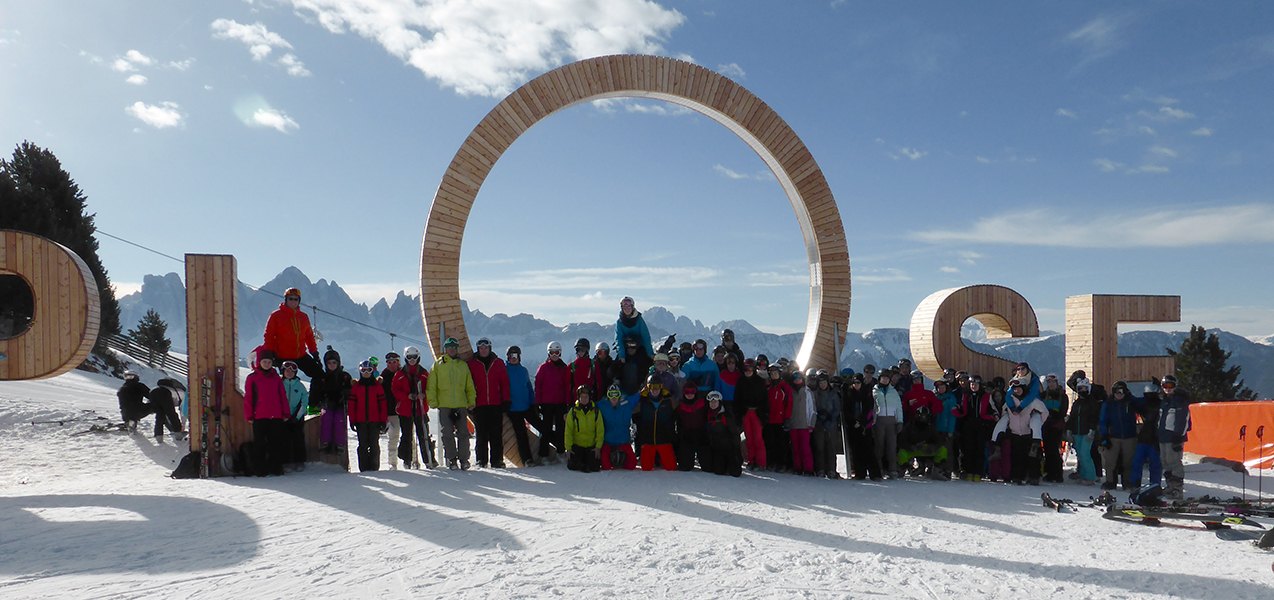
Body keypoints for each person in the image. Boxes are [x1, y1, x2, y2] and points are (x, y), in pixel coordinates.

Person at [427, 337, 477, 470]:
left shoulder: (463, 365)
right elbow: (431, 384)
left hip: (460, 404)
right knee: (447, 433)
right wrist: (432, 401)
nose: (452, 350)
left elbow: (469, 386)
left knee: (463, 433)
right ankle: (451, 459)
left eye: (454, 347)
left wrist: (471, 401)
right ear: (445, 349)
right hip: (445, 405)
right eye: (449, 347)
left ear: (457, 349)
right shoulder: (438, 365)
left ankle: (464, 459)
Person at [991, 378, 1047, 485]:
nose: (1017, 391)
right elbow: (1004, 413)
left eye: (1019, 388)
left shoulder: (1033, 401)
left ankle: (1034, 476)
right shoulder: (1010, 401)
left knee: (1033, 456)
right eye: (1014, 389)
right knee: (1017, 456)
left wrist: (1037, 424)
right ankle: (1017, 476)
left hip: (1029, 434)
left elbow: (1044, 413)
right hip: (1015, 433)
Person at [243, 349, 290, 476]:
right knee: (260, 444)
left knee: (275, 443)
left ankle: (276, 468)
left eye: (269, 362)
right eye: (264, 361)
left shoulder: (276, 378)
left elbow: (282, 396)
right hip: (259, 416)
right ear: (259, 362)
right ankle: (260, 469)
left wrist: (286, 413)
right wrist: (249, 415)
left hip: (276, 416)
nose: (267, 364)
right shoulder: (252, 378)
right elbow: (248, 398)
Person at [262, 287, 323, 379]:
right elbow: (269, 335)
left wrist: (314, 352)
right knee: (287, 380)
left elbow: (309, 336)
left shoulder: (303, 317)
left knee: (319, 374)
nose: (293, 301)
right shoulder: (276, 316)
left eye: (296, 299)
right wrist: (270, 353)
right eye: (290, 299)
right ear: (286, 300)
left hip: (300, 355)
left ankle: (316, 393)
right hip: (282, 356)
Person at [469, 337, 510, 469]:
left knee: (496, 434)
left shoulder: (498, 363)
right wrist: (469, 403)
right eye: (481, 348)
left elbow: (504, 383)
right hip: (479, 404)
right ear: (478, 349)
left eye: (486, 347)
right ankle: (481, 460)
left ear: (490, 348)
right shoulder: (472, 364)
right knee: (481, 434)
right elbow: (467, 385)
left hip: (495, 403)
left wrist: (506, 400)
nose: (484, 350)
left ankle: (497, 460)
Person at [392, 346, 433, 469]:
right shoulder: (399, 374)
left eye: (414, 357)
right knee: (406, 436)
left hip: (420, 409)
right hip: (405, 409)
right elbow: (395, 390)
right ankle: (407, 460)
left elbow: (430, 388)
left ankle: (428, 459)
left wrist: (424, 395)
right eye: (409, 357)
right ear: (405, 358)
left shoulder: (424, 374)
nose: (412, 360)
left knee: (424, 434)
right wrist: (407, 396)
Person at [310, 346, 352, 459]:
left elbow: (351, 391)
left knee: (339, 419)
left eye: (334, 362)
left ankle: (340, 444)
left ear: (338, 363)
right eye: (329, 363)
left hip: (340, 404)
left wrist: (346, 394)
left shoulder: (345, 377)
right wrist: (316, 403)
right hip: (327, 404)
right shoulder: (322, 377)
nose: (332, 365)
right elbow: (316, 391)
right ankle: (325, 443)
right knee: (326, 417)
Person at [535, 341, 572, 464]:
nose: (554, 355)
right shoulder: (544, 367)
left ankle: (561, 451)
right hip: (547, 403)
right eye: (552, 352)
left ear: (560, 353)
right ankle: (543, 454)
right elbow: (538, 385)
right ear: (548, 353)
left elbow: (567, 386)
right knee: (546, 429)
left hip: (560, 402)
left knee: (561, 428)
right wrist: (538, 402)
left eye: (557, 352)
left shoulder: (564, 368)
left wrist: (567, 402)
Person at [952, 375, 995, 481]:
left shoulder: (986, 396)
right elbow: (961, 408)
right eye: (972, 384)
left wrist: (994, 416)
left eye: (976, 384)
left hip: (981, 425)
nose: (974, 386)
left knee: (979, 449)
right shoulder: (966, 395)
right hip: (967, 425)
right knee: (967, 449)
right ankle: (966, 471)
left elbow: (992, 409)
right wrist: (957, 409)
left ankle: (978, 472)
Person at [1098, 380, 1138, 490]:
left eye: (1122, 392)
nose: (1119, 394)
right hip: (1113, 437)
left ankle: (1127, 482)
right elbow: (1102, 420)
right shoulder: (1108, 403)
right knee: (1110, 461)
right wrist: (1104, 436)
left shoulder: (1130, 402)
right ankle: (1110, 481)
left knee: (1128, 461)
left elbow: (1141, 404)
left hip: (1129, 436)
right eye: (1116, 392)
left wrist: (1130, 396)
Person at [348, 360, 387, 472]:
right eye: (363, 370)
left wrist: (383, 420)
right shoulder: (356, 387)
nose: (366, 373)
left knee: (374, 443)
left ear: (372, 371)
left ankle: (374, 466)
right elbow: (352, 405)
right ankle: (364, 467)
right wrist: (352, 420)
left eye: (368, 370)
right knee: (363, 444)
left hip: (375, 420)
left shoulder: (377, 387)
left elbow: (383, 405)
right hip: (360, 421)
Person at [1157, 375, 1192, 499]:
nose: (1167, 389)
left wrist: (1179, 436)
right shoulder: (1164, 400)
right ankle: (1170, 486)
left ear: (1175, 386)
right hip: (1163, 436)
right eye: (1165, 386)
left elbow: (1184, 420)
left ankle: (1177, 489)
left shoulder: (1179, 401)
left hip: (1174, 437)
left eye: (1170, 386)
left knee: (1174, 463)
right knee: (1165, 462)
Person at [504, 345, 540, 467]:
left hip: (526, 406)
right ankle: (527, 459)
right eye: (511, 356)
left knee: (542, 426)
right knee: (521, 434)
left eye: (516, 356)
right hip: (513, 409)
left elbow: (529, 388)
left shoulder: (523, 370)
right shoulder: (505, 370)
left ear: (519, 357)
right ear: (508, 357)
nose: (513, 358)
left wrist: (533, 403)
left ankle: (557, 448)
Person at [635, 374, 677, 471]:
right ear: (648, 387)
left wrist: (670, 431)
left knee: (671, 467)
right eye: (652, 387)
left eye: (657, 387)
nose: (655, 390)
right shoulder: (642, 400)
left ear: (661, 387)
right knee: (646, 468)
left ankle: (659, 459)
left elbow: (676, 413)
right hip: (648, 439)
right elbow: (634, 414)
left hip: (664, 439)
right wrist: (641, 430)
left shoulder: (668, 400)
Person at [842, 373, 880, 480]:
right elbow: (846, 410)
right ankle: (860, 473)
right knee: (856, 451)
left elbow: (870, 409)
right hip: (853, 426)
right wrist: (853, 422)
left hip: (865, 426)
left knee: (869, 450)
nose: (856, 385)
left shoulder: (867, 393)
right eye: (854, 383)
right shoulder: (849, 394)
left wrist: (862, 422)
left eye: (858, 382)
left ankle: (875, 474)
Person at [1065, 378, 1100, 485]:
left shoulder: (1092, 402)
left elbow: (1094, 417)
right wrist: (1069, 429)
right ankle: (1084, 475)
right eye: (1080, 389)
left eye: (1084, 388)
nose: (1082, 390)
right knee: (1080, 454)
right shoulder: (1077, 403)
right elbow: (1073, 417)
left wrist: (1092, 430)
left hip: (1087, 431)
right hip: (1077, 431)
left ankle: (1091, 476)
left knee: (1085, 454)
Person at [896, 405, 947, 479]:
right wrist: (911, 447)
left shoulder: (930, 427)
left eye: (925, 417)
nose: (923, 419)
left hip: (926, 449)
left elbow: (939, 441)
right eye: (921, 416)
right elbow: (901, 441)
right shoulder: (910, 426)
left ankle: (936, 470)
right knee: (902, 452)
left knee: (943, 450)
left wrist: (932, 447)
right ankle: (903, 469)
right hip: (912, 449)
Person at [736, 359, 769, 471]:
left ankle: (761, 462)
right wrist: (739, 414)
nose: (748, 372)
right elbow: (738, 399)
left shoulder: (760, 382)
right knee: (749, 438)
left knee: (758, 438)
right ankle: (751, 460)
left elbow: (765, 400)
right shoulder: (741, 381)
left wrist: (764, 414)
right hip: (746, 413)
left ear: (754, 369)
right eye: (746, 369)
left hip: (757, 413)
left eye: (750, 369)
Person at [873, 369, 904, 479]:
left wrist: (900, 421)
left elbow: (899, 407)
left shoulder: (893, 391)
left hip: (892, 422)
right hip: (879, 421)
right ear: (879, 378)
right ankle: (880, 468)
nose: (885, 380)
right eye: (883, 378)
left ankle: (892, 469)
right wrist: (872, 421)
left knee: (891, 446)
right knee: (879, 446)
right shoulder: (875, 391)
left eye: (887, 378)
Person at [564, 385, 604, 473]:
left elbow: (600, 430)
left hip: (591, 446)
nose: (584, 399)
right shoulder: (573, 411)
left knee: (595, 467)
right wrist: (568, 448)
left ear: (590, 397)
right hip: (578, 445)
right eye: (581, 397)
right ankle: (582, 464)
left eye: (586, 397)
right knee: (572, 465)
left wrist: (598, 447)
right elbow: (568, 431)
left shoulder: (596, 412)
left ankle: (586, 463)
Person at [811, 370, 843, 479]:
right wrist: (819, 417)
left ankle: (831, 470)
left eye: (824, 382)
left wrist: (830, 417)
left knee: (831, 449)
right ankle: (820, 469)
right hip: (819, 424)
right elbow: (813, 408)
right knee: (820, 448)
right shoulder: (816, 394)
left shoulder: (833, 394)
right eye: (820, 383)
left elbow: (837, 409)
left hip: (831, 425)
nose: (822, 385)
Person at [1129, 380, 1161, 490]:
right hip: (1144, 438)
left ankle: (1155, 485)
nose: (1149, 396)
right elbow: (1135, 402)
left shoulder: (1162, 404)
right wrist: (1128, 393)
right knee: (1137, 463)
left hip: (1155, 439)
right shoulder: (1144, 404)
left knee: (1155, 465)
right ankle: (1135, 483)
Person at [598, 384, 638, 470]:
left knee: (631, 465)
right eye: (611, 395)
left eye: (616, 394)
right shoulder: (602, 405)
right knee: (606, 466)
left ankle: (621, 460)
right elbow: (587, 405)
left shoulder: (627, 403)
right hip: (608, 443)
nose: (614, 397)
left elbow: (640, 395)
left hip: (623, 442)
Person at [1039, 373, 1070, 483]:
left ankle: (1057, 473)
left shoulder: (1062, 395)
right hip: (1045, 425)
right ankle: (1050, 473)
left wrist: (1052, 415)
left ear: (1057, 383)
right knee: (1047, 449)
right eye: (1049, 382)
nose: (1051, 384)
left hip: (1056, 426)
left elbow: (1063, 411)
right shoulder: (1044, 395)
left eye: (1053, 382)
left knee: (1054, 450)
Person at [705, 391, 743, 477]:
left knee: (735, 472)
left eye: (715, 401)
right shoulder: (707, 415)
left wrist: (737, 451)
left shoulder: (726, 415)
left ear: (719, 402)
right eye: (711, 402)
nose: (713, 404)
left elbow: (735, 433)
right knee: (718, 471)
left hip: (730, 448)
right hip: (717, 448)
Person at [763, 363, 793, 473]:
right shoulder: (768, 387)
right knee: (770, 443)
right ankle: (772, 463)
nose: (773, 375)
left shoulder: (784, 387)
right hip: (769, 419)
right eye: (772, 373)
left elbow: (789, 403)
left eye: (775, 373)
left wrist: (787, 418)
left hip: (780, 420)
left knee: (782, 443)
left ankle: (782, 464)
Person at [280, 361, 309, 471]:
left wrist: (296, 417)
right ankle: (285, 462)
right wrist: (282, 415)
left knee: (298, 440)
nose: (289, 373)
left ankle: (299, 462)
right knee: (284, 440)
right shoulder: (280, 384)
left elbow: (304, 402)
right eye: (287, 371)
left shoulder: (300, 386)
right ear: (283, 371)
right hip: (283, 417)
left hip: (296, 418)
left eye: (292, 371)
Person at [610, 335, 654, 407]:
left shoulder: (642, 358)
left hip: (639, 391)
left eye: (633, 346)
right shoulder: (621, 358)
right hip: (624, 391)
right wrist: (616, 379)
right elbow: (613, 370)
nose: (630, 349)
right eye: (628, 346)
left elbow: (656, 361)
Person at [675, 381, 709, 471]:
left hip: (701, 435)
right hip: (687, 436)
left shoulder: (703, 403)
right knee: (685, 467)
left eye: (692, 392)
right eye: (687, 392)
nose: (689, 394)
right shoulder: (680, 406)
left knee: (708, 467)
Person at [788, 370, 815, 476]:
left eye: (799, 378)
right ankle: (797, 467)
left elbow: (812, 410)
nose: (797, 380)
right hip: (793, 424)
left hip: (805, 424)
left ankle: (808, 468)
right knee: (795, 447)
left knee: (805, 448)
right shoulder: (790, 391)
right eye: (795, 379)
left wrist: (811, 424)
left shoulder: (807, 392)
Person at [932, 379, 959, 480]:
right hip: (936, 428)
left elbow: (952, 416)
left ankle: (947, 470)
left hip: (946, 429)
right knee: (938, 450)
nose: (940, 389)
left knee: (948, 451)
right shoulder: (935, 397)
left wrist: (951, 431)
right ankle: (938, 469)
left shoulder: (951, 398)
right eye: (939, 388)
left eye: (942, 387)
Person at [379, 351, 402, 469]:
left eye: (394, 362)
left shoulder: (404, 373)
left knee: (409, 437)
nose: (392, 364)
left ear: (398, 363)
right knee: (393, 438)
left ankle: (412, 460)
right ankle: (392, 463)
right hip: (391, 412)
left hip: (405, 411)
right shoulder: (384, 376)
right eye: (389, 362)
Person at [145, 377, 185, 443]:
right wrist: (183, 424)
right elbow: (182, 410)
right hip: (165, 393)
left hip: (153, 392)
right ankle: (178, 434)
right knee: (171, 414)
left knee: (160, 415)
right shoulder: (183, 394)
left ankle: (159, 436)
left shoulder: (174, 389)